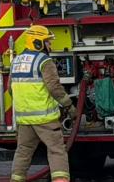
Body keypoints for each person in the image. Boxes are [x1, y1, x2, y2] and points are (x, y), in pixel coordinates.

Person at [9, 25, 74, 182]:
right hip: (45, 118)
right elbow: (54, 87)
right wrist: (69, 106)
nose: (50, 45)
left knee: (23, 152)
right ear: (37, 42)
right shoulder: (44, 61)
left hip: (24, 119)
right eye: (47, 42)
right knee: (57, 150)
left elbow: (10, 89)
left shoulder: (16, 61)